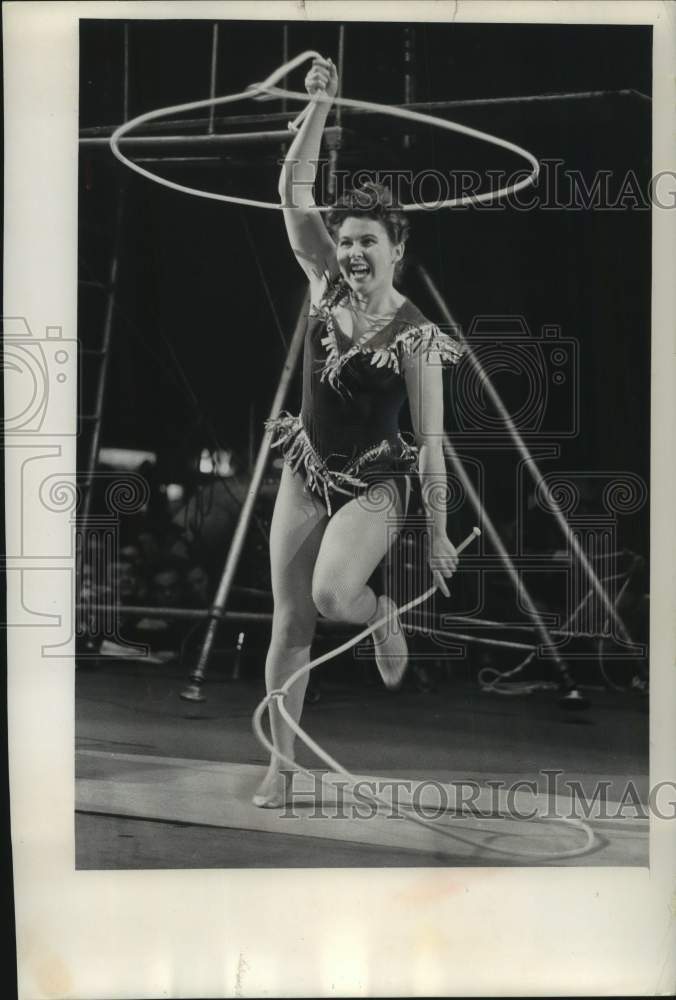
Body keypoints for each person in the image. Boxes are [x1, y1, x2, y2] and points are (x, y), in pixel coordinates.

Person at [254, 55, 464, 807]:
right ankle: (282, 766)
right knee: (290, 620)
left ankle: (378, 616)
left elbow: (432, 443)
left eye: (369, 241)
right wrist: (320, 104)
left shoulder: (415, 335)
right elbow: (291, 191)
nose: (353, 252)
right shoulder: (323, 281)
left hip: (377, 483)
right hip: (307, 468)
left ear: (397, 248)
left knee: (338, 593)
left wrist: (437, 533)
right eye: (347, 240)